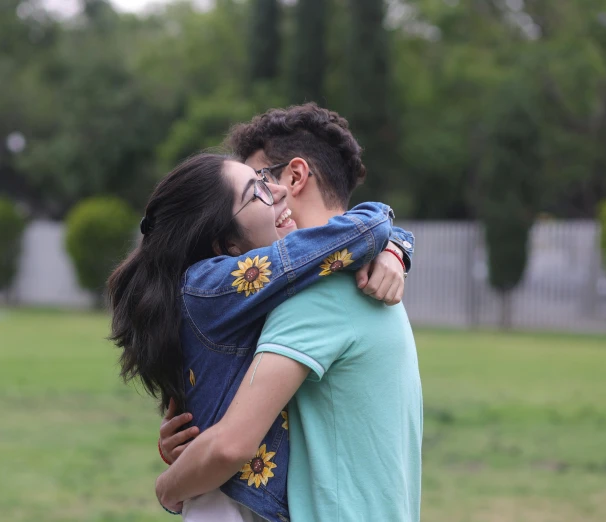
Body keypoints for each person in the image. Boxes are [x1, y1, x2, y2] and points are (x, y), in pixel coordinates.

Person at [109, 107, 414, 522]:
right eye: (257, 191)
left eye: (263, 180)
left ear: (295, 176)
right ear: (227, 243)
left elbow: (232, 445)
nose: (275, 196)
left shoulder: (320, 293)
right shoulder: (351, 285)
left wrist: (169, 485)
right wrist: (395, 245)